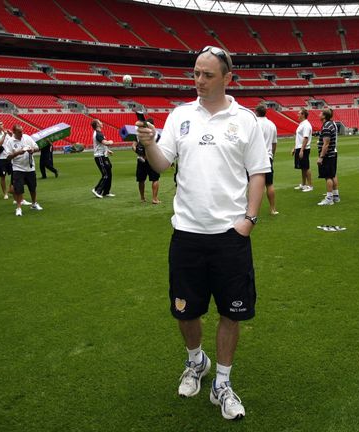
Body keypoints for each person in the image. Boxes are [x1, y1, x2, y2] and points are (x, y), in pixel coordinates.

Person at [135, 45, 270, 421]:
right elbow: (162, 164)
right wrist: (148, 145)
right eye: (195, 73)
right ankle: (196, 362)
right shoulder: (180, 115)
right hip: (187, 233)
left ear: (228, 78)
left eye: (207, 75)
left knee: (232, 313)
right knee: (185, 309)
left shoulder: (246, 120)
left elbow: (258, 172)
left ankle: (222, 383)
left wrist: (250, 219)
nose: (199, 81)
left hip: (230, 235)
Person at [5, 124, 43, 215]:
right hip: (18, 168)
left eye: (22, 131)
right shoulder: (10, 141)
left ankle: (34, 203)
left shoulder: (27, 137)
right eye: (19, 132)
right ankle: (18, 208)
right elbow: (8, 157)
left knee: (33, 187)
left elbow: (37, 147)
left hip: (30, 167)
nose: (21, 133)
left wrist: (32, 150)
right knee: (18, 189)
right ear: (14, 132)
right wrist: (18, 153)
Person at [255, 104, 278, 214]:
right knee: (269, 184)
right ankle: (273, 209)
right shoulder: (271, 124)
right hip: (267, 157)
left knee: (252, 184)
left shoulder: (254, 123)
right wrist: (272, 155)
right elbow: (274, 143)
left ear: (256, 112)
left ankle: (252, 210)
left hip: (255, 157)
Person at [133, 117, 161, 204]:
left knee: (141, 179)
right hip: (152, 159)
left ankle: (142, 198)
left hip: (141, 159)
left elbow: (133, 147)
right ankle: (154, 199)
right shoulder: (156, 134)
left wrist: (140, 153)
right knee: (155, 179)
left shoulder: (138, 134)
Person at [316, 108, 339, 206]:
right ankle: (335, 196)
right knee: (333, 174)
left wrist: (321, 156)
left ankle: (329, 198)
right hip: (332, 154)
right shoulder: (331, 124)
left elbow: (326, 144)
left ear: (324, 116)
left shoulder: (326, 126)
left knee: (328, 176)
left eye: (321, 113)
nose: (319, 114)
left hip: (328, 155)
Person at [91, 119, 115, 198]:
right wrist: (110, 142)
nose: (101, 123)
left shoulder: (99, 133)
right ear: (97, 125)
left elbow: (102, 145)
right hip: (99, 157)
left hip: (104, 156)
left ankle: (106, 192)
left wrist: (108, 150)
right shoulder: (98, 134)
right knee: (105, 174)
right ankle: (97, 190)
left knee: (109, 173)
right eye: (100, 122)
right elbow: (105, 143)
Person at [292, 108, 313, 191]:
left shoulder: (306, 125)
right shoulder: (301, 124)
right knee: (302, 167)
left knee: (306, 167)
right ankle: (304, 184)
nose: (298, 115)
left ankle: (310, 185)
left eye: (299, 113)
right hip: (299, 147)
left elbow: (305, 138)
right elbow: (299, 138)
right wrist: (295, 148)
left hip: (304, 148)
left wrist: (301, 150)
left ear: (303, 115)